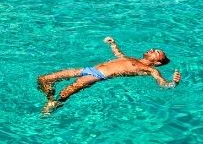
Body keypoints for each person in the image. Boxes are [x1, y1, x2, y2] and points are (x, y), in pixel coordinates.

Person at [37, 37, 182, 113]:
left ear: (157, 63)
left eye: (156, 52)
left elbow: (162, 83)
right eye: (153, 48)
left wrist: (173, 83)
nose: (152, 49)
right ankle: (49, 97)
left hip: (98, 75)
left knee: (65, 93)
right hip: (88, 69)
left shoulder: (151, 70)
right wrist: (113, 44)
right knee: (44, 79)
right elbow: (119, 56)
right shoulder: (133, 59)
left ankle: (53, 105)